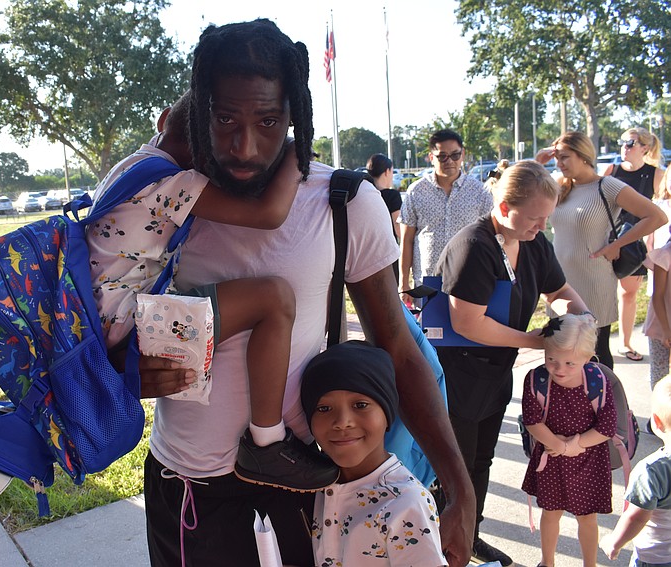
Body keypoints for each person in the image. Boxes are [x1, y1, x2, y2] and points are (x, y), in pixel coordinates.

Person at [134, 19, 475, 567]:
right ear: (201, 111)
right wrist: (128, 363)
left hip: (301, 479)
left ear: (294, 115)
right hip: (187, 486)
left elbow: (398, 343)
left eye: (268, 121)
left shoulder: (344, 202)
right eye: (225, 119)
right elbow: (107, 312)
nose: (244, 145)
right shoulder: (166, 202)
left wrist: (460, 486)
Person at [86, 94, 338, 492]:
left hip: (101, 322)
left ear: (163, 119)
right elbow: (268, 215)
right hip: (126, 327)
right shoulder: (170, 182)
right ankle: (267, 443)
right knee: (273, 298)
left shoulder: (130, 167)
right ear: (209, 159)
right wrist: (294, 148)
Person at [435, 160, 591, 565]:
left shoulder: (534, 243)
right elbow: (467, 323)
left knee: (482, 461)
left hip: (495, 375)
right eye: (536, 218)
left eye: (547, 218)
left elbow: (559, 290)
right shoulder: (475, 246)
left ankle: (470, 535)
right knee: (455, 468)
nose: (543, 227)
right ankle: (440, 543)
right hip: (457, 376)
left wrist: (580, 318)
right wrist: (539, 341)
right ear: (504, 208)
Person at [300, 341, 446, 566]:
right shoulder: (316, 483)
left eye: (360, 405)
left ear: (387, 414)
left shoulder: (405, 503)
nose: (342, 422)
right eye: (324, 409)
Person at [537, 131, 667, 369]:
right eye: (557, 157)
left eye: (565, 157)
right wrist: (537, 164)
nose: (559, 163)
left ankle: (608, 404)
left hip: (594, 280)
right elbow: (523, 195)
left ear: (583, 155)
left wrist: (617, 245)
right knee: (562, 349)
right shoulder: (558, 186)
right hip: (559, 281)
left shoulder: (607, 186)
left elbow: (657, 216)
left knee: (595, 353)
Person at [521, 314, 616, 567]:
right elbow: (532, 420)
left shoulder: (597, 381)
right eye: (551, 359)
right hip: (551, 458)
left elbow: (607, 426)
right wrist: (560, 446)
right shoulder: (536, 379)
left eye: (569, 363)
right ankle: (547, 562)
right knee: (550, 514)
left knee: (587, 518)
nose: (559, 369)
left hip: (589, 460)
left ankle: (590, 563)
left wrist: (575, 445)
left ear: (588, 357)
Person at [398, 129, 492, 299]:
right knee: (427, 326)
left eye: (455, 155)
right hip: (427, 282)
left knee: (466, 326)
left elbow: (490, 237)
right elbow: (407, 239)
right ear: (431, 157)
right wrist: (404, 283)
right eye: (442, 156)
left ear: (462, 154)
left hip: (468, 279)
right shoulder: (416, 192)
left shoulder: (480, 192)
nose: (449, 161)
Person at [603, 127, 665, 362]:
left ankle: (625, 343)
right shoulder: (612, 170)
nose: (624, 148)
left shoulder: (655, 175)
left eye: (630, 143)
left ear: (644, 148)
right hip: (608, 238)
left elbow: (662, 209)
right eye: (622, 142)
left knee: (628, 294)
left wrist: (653, 248)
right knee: (602, 293)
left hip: (635, 243)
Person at [601, 374, 671, 565]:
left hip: (656, 558)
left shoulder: (653, 470)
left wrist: (614, 542)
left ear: (656, 422)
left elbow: (636, 517)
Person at [644, 219, 671, 395]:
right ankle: (658, 414)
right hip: (661, 324)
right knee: (660, 372)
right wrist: (666, 330)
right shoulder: (665, 255)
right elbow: (658, 296)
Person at [366, 152, 402, 282]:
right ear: (387, 171)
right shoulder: (392, 196)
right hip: (388, 253)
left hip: (366, 253)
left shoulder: (364, 194)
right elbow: (398, 227)